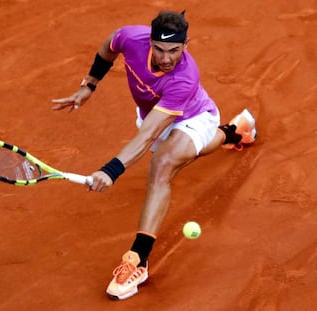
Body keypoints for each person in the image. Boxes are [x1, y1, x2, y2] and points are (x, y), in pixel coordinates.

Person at [51, 10, 256, 300]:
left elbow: (147, 135)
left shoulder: (184, 77)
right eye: (159, 49)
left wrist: (110, 171)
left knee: (163, 165)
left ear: (186, 45)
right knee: (182, 155)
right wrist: (89, 85)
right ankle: (235, 130)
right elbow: (108, 47)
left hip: (194, 117)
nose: (166, 58)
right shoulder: (130, 38)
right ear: (149, 42)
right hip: (155, 116)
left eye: (174, 50)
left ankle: (137, 260)